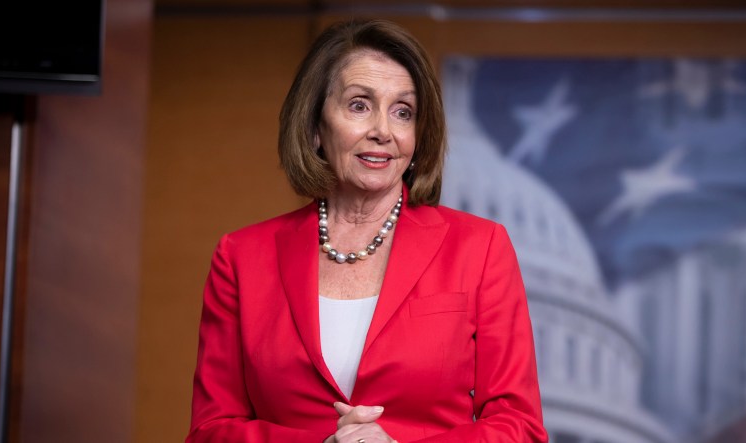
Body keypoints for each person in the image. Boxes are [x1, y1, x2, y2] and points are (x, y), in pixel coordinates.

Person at [186, 19, 548, 443]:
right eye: (359, 105)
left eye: (403, 112)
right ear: (316, 127)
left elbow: (520, 428)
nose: (383, 131)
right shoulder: (241, 256)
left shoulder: (479, 247)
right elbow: (210, 431)